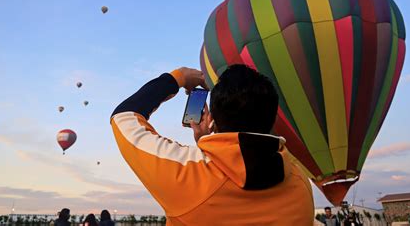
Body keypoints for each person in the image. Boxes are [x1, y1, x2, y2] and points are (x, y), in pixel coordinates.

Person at [110, 65, 314, 225]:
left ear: (213, 118)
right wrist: (209, 149)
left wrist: (177, 77)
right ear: (272, 118)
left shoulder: (185, 176)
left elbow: (123, 117)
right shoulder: (299, 183)